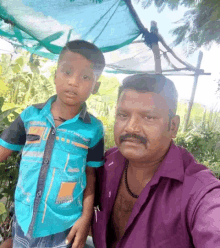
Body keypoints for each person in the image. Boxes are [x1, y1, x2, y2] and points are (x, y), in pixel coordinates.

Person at [92, 73, 220, 248]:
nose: (131, 127)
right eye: (123, 115)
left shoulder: (198, 192)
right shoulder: (105, 164)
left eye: (149, 117)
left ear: (173, 126)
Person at [0, 40, 105, 248]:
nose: (74, 82)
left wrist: (86, 219)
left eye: (85, 77)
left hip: (63, 227)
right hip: (24, 219)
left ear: (96, 86)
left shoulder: (93, 129)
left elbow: (91, 175)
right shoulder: (30, 116)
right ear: (55, 75)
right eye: (67, 72)